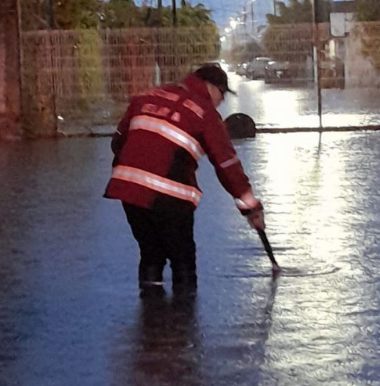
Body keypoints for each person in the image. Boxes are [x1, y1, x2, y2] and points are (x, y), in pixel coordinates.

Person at [104, 63, 265, 295]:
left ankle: (152, 313)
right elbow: (227, 164)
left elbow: (118, 141)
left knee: (151, 252)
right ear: (211, 87)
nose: (221, 101)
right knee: (182, 258)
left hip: (129, 190)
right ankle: (182, 319)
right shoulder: (205, 113)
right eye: (222, 94)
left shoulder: (148, 96)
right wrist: (251, 208)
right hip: (170, 195)